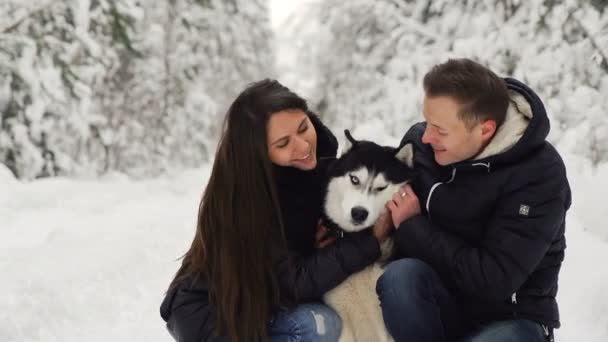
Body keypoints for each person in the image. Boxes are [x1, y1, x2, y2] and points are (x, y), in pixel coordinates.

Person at [160, 79, 393, 342]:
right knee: (317, 325)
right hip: (215, 320)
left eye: (304, 128)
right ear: (259, 155)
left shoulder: (320, 165)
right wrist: (371, 239)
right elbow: (294, 283)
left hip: (264, 304)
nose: (303, 146)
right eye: (283, 144)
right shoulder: (247, 201)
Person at [377, 58, 571, 342]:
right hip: (442, 305)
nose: (427, 135)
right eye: (427, 121)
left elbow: (493, 281)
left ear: (485, 130)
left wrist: (412, 225)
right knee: (400, 278)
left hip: (512, 320)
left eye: (440, 130)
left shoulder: (540, 174)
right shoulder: (421, 145)